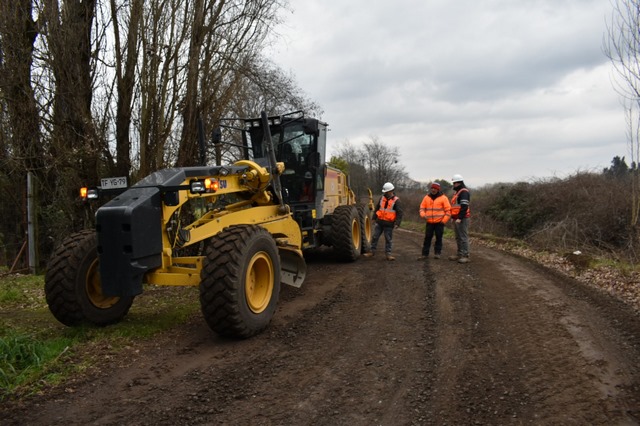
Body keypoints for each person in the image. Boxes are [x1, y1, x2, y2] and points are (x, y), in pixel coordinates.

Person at [364, 182, 403, 261]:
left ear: (391, 191)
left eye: (386, 191)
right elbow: (377, 208)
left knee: (388, 239)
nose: (385, 193)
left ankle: (388, 254)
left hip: (389, 224)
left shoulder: (397, 201)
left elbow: (400, 213)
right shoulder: (382, 198)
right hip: (379, 222)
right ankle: (372, 252)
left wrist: (397, 223)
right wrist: (374, 218)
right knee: (375, 237)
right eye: (384, 191)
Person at [418, 182, 451, 260]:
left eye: (435, 188)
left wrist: (443, 221)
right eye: (432, 188)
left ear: (438, 189)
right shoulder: (426, 197)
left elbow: (448, 211)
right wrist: (423, 215)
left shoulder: (444, 198)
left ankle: (437, 253)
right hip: (429, 222)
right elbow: (422, 208)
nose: (433, 190)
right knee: (427, 238)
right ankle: (424, 254)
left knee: (439, 238)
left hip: (439, 222)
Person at [449, 174, 471, 263]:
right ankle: (459, 254)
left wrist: (459, 218)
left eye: (454, 183)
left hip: (462, 218)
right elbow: (454, 207)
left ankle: (466, 255)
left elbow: (464, 207)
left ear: (459, 183)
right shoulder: (457, 193)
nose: (453, 185)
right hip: (456, 218)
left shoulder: (464, 192)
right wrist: (453, 217)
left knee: (463, 237)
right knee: (458, 237)